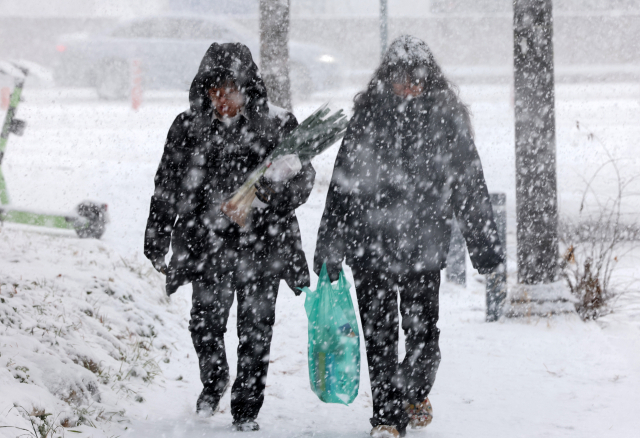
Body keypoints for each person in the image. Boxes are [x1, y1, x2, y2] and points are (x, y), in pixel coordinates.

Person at [314, 35, 504, 438]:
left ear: (428, 79)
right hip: (371, 246)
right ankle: (386, 417)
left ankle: (413, 390)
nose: (408, 88)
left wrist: (484, 246)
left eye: (416, 79)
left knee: (423, 337)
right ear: (388, 79)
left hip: (424, 248)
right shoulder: (367, 117)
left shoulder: (446, 118)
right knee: (378, 337)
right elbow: (343, 186)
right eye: (401, 79)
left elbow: (469, 184)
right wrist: (331, 245)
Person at [144, 42, 315, 432]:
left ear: (248, 88)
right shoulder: (187, 128)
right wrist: (156, 237)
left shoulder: (278, 125)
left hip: (264, 246)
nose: (222, 98)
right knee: (204, 325)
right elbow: (166, 186)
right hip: (207, 246)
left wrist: (270, 193)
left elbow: (303, 179)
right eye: (213, 90)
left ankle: (246, 410)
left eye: (231, 88)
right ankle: (215, 378)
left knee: (256, 330)